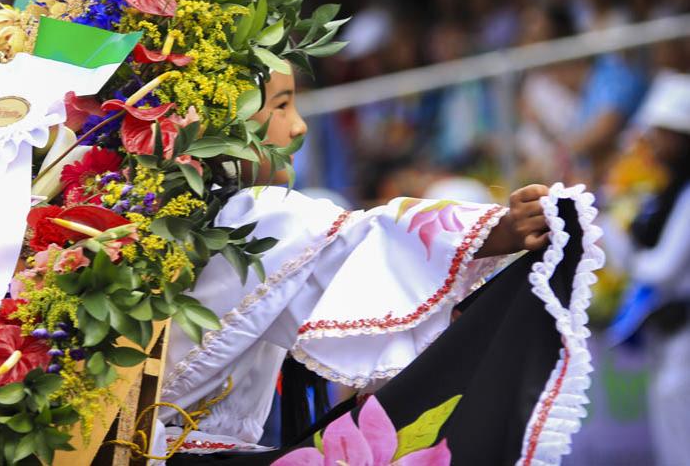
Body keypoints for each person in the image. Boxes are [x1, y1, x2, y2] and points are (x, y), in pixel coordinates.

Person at [154, 71, 592, 464]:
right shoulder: (248, 215)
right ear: (220, 119)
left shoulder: (155, 218)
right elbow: (365, 239)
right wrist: (504, 229)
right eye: (282, 105)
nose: (300, 125)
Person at [604, 73, 690, 466]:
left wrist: (620, 247)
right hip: (669, 334)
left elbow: (663, 270)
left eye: (661, 133)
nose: (653, 143)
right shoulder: (667, 190)